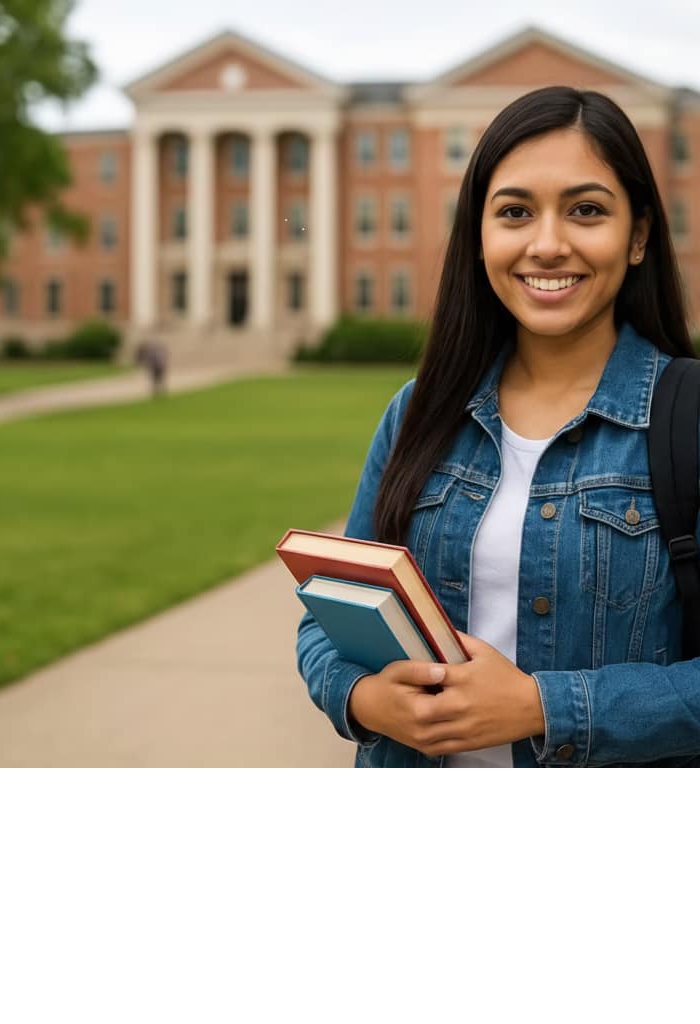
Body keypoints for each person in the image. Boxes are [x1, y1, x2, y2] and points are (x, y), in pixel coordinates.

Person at [296, 85, 699, 767]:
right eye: (514, 212)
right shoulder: (418, 411)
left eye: (586, 210)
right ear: (479, 235)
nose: (547, 244)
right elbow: (328, 619)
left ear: (637, 237)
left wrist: (541, 707)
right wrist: (366, 698)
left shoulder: (687, 419)